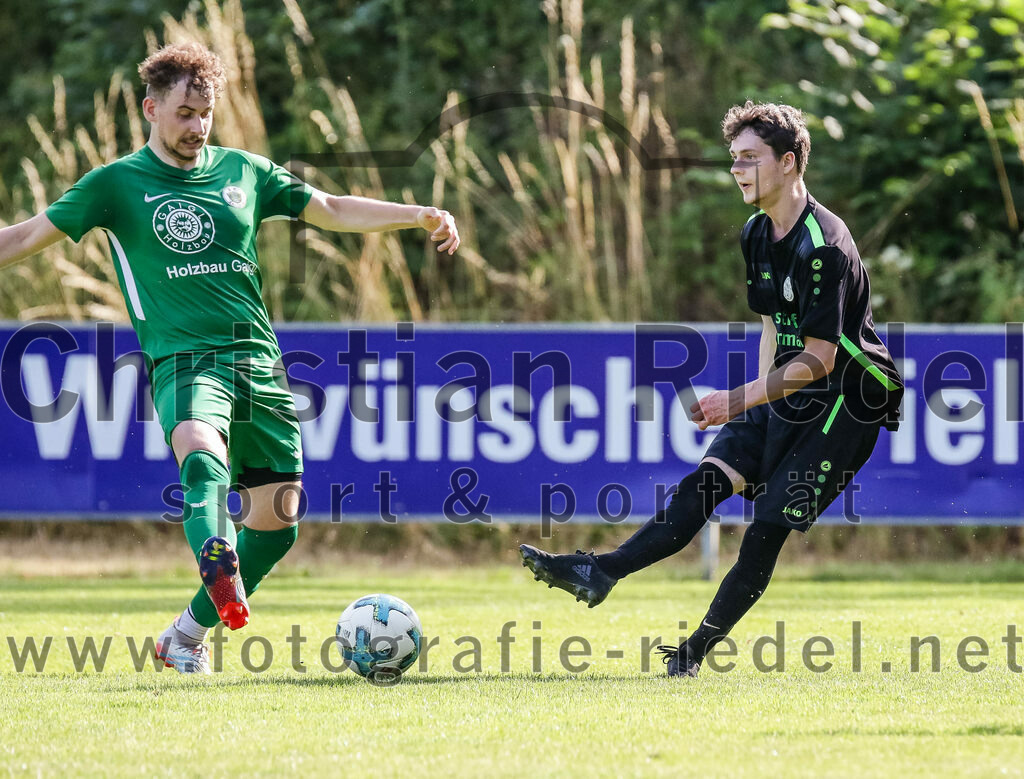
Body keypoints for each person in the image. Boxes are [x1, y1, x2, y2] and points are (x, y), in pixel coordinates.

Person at [0, 42, 459, 673]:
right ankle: (216, 550)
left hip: (257, 362)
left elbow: (328, 209)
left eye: (205, 114)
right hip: (184, 358)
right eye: (184, 113)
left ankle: (185, 635)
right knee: (199, 443)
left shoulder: (244, 171)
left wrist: (416, 214)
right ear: (151, 108)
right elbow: (23, 236)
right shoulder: (115, 185)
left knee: (280, 521)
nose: (196, 127)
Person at [520, 100, 903, 678]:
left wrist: (740, 399)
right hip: (788, 389)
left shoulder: (823, 245)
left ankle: (692, 655)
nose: (738, 170)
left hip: (849, 402)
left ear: (791, 162)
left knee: (766, 528)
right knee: (706, 482)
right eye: (734, 160)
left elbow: (823, 357)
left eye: (750, 158)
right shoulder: (757, 232)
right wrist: (760, 407)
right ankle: (600, 571)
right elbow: (775, 324)